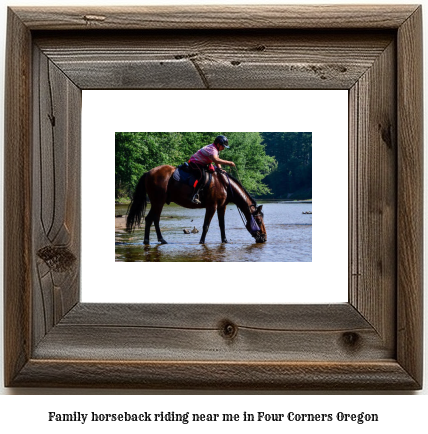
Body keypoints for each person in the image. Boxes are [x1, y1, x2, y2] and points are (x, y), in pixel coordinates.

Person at [188, 135, 236, 204]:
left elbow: (216, 161)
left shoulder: (216, 149)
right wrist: (229, 163)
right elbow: (215, 159)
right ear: (218, 144)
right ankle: (194, 195)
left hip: (202, 164)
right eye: (223, 146)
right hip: (195, 163)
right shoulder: (213, 149)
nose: (224, 148)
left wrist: (220, 169)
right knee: (202, 176)